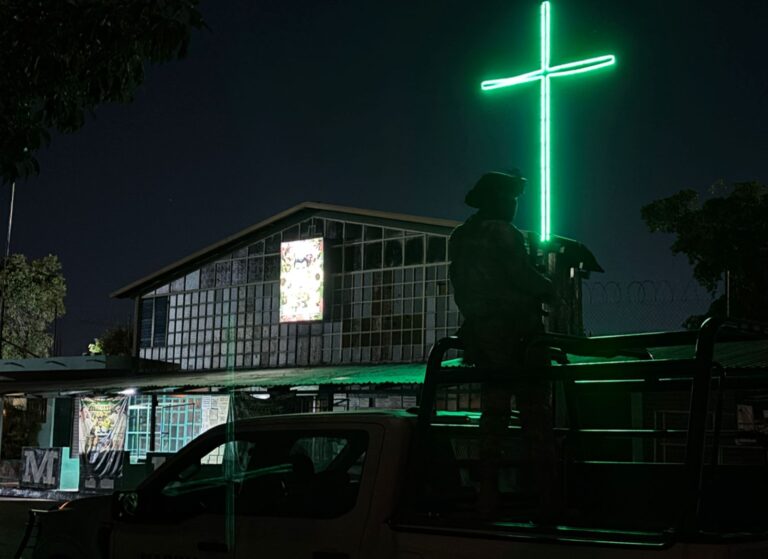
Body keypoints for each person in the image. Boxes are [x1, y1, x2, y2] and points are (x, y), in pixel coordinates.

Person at [448, 170, 559, 519]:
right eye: (509, 198)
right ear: (496, 199)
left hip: (481, 334)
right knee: (535, 413)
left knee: (492, 414)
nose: (513, 206)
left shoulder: (461, 237)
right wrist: (549, 287)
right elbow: (522, 277)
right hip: (517, 334)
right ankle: (546, 497)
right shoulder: (503, 233)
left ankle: (487, 493)